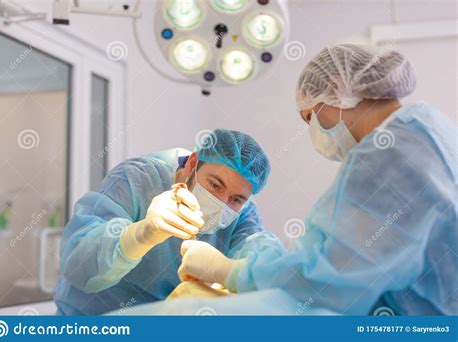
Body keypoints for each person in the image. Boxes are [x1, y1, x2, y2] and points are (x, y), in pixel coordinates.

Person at [178, 44, 457, 315]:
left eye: (310, 117)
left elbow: (326, 282)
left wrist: (227, 270)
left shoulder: (387, 155)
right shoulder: (429, 127)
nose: (313, 131)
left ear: (338, 92)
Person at [54, 129, 270, 315]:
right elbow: (78, 265)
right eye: (215, 185)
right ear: (192, 164)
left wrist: (228, 271)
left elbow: (266, 272)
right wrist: (141, 234)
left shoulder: (243, 215)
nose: (221, 202)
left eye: (236, 199)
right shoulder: (138, 179)